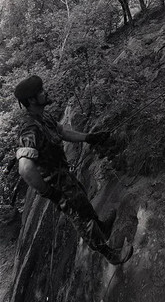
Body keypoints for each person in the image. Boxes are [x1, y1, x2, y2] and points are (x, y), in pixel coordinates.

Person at [14, 75, 133, 265]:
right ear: (31, 100)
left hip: (65, 177)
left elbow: (62, 132)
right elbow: (25, 168)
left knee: (84, 204)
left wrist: (89, 137)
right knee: (81, 218)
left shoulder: (43, 117)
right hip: (58, 186)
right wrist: (50, 193)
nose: (46, 92)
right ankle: (110, 254)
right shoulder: (29, 129)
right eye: (41, 91)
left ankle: (102, 227)